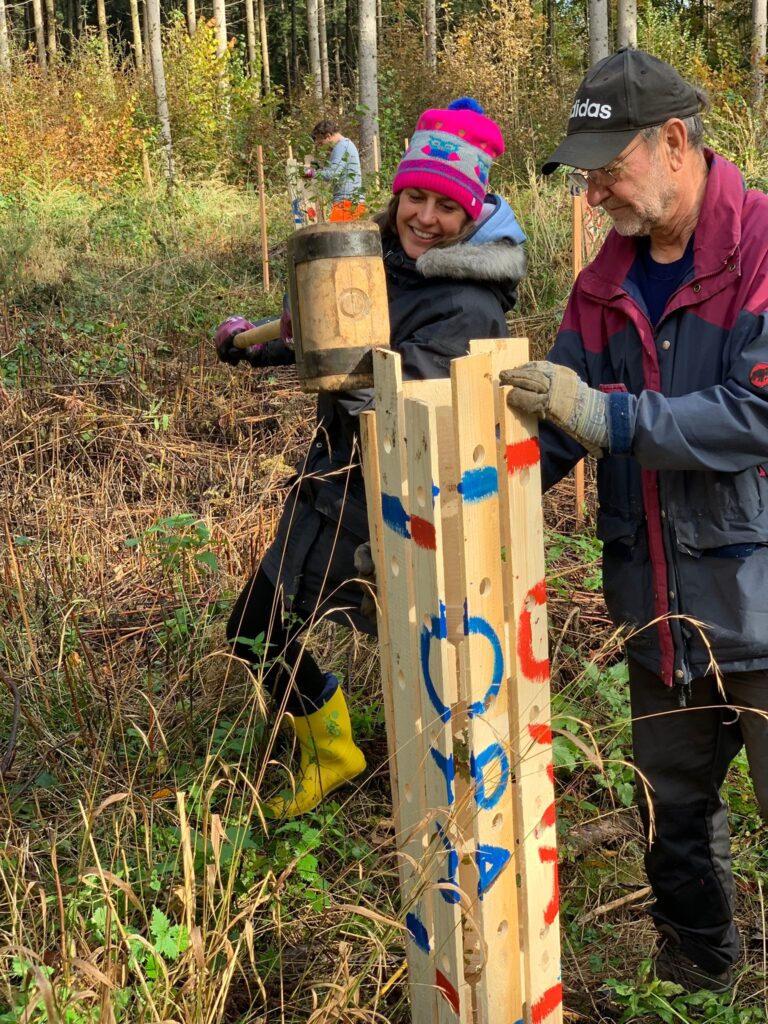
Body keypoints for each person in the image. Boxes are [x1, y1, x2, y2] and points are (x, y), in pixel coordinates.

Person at [501, 48, 768, 994]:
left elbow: (756, 410)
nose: (593, 191)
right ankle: (698, 985)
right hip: (659, 612)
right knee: (672, 820)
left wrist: (610, 416)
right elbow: (560, 432)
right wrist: (465, 486)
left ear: (673, 142)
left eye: (607, 168)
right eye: (584, 173)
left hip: (760, 605)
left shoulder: (762, 247)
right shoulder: (600, 285)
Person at [215, 98, 527, 818]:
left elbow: (375, 375)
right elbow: (346, 334)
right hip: (334, 481)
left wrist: (311, 346)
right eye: (415, 196)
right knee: (259, 626)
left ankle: (444, 786)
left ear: (472, 216)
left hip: (389, 501)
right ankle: (336, 747)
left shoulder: (470, 306)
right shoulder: (387, 261)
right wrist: (269, 342)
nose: (424, 216)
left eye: (447, 206)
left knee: (296, 632)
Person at [306, 119, 366, 222]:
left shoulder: (341, 147)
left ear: (328, 135)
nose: (320, 146)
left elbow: (332, 174)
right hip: (350, 202)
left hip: (346, 203)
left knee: (338, 237)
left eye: (321, 142)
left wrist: (310, 173)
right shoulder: (346, 145)